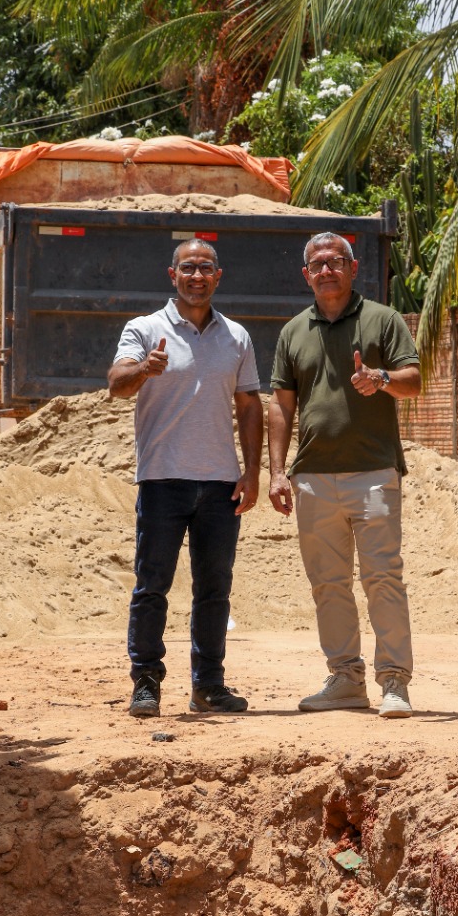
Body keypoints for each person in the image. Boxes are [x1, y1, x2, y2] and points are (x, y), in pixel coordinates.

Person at [268, 230, 422, 718]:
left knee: (383, 578)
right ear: (306, 274)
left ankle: (394, 681)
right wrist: (277, 472)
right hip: (312, 478)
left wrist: (379, 379)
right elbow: (281, 405)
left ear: (353, 269)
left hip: (374, 474)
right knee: (328, 583)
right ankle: (346, 679)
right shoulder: (293, 332)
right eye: (318, 263)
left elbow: (413, 381)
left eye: (337, 261)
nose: (327, 269)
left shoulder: (383, 320)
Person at [108, 239, 263, 717]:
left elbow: (250, 405)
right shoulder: (145, 329)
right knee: (152, 585)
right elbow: (115, 385)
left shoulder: (236, 336)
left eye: (206, 268)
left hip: (220, 483)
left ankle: (208, 686)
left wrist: (252, 472)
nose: (197, 276)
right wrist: (142, 369)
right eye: (188, 268)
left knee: (214, 589)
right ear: (171, 275)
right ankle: (146, 682)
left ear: (219, 277)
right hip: (162, 480)